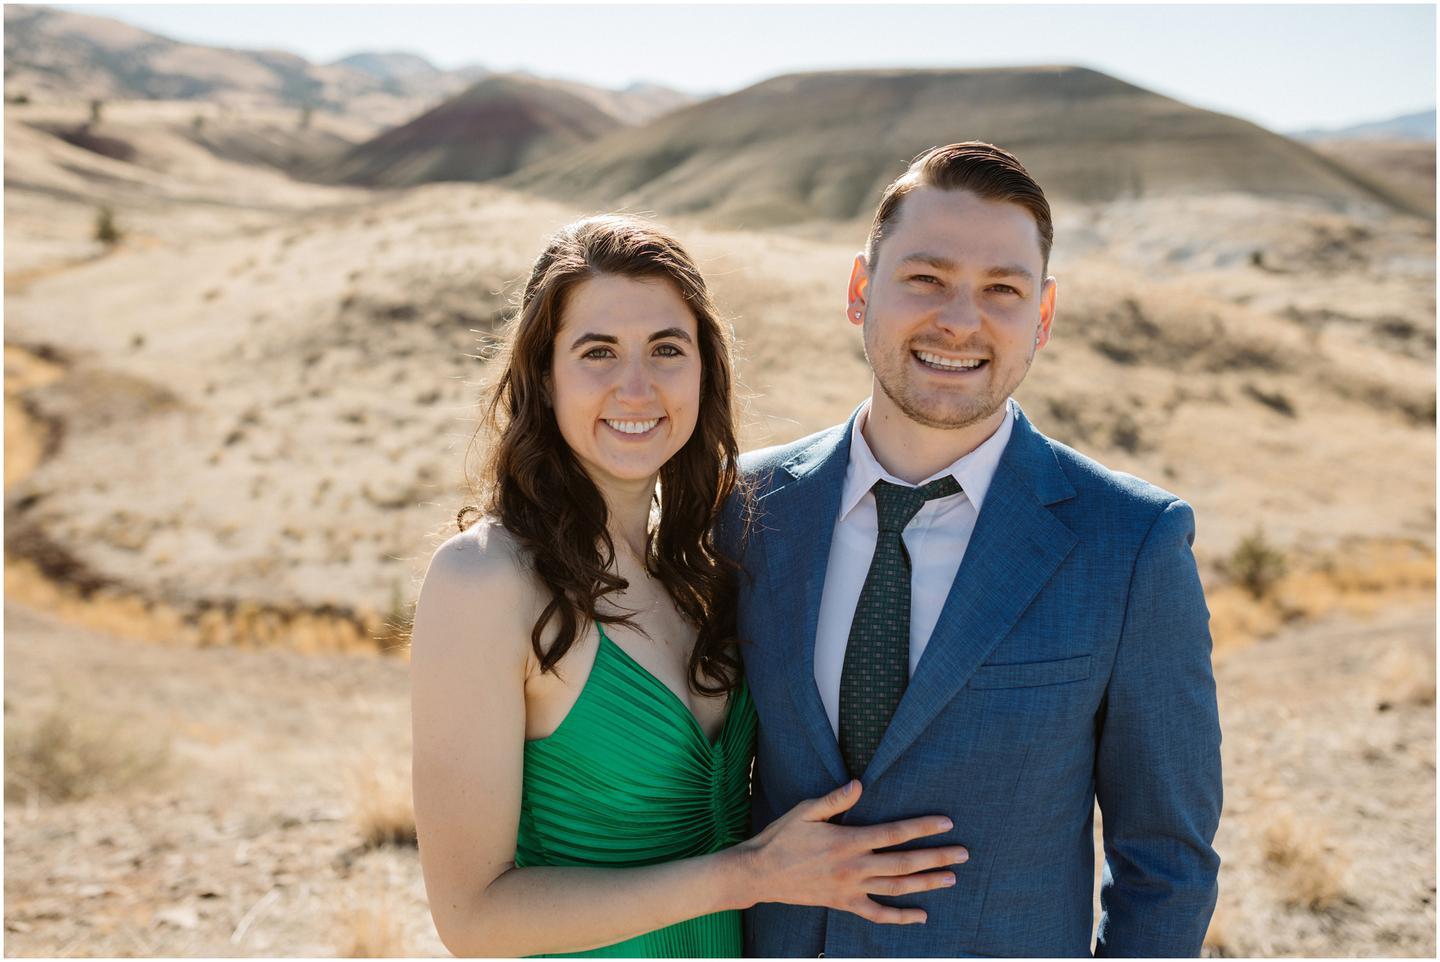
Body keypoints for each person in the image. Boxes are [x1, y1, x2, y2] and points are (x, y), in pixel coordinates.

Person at [409, 215, 970, 958]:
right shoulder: (483, 582)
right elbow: (472, 921)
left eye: (666, 350)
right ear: (544, 375)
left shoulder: (706, 565)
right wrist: (749, 875)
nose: (635, 387)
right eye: (598, 351)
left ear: (704, 370)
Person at [724, 143, 1224, 957]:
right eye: (925, 278)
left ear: (1044, 315)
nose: (960, 320)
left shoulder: (1131, 542)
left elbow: (1167, 861)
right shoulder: (744, 508)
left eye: (1002, 290)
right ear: (860, 291)